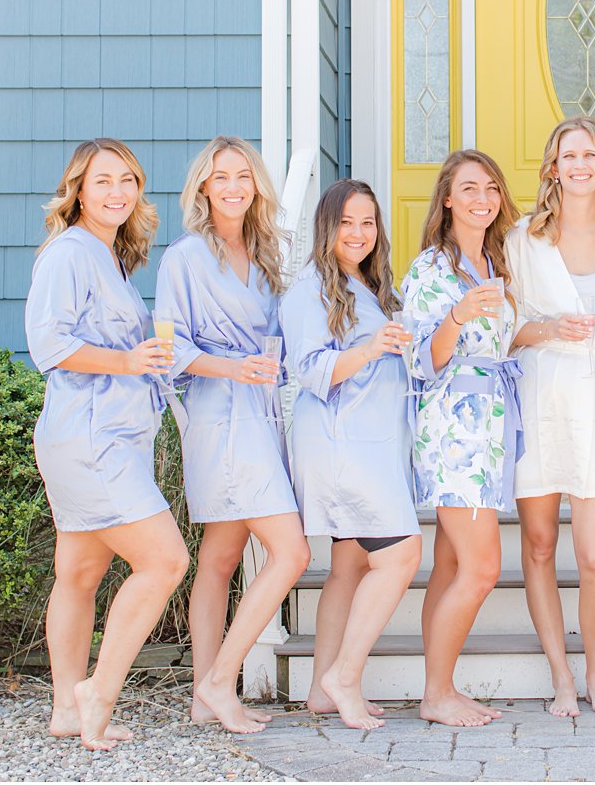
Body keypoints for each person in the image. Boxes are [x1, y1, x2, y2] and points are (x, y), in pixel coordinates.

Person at [24, 138, 189, 751]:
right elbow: (50, 345)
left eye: (128, 180)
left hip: (97, 434)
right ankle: (98, 691)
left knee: (80, 572)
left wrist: (148, 365)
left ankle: (67, 707)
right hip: (93, 440)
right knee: (165, 560)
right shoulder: (70, 253)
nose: (118, 192)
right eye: (103, 182)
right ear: (78, 192)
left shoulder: (108, 256)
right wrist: (127, 359)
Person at [154, 135, 309, 734]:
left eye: (244, 176)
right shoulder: (185, 258)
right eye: (222, 178)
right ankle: (221, 680)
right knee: (291, 553)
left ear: (257, 187)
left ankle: (201, 695)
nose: (235, 187)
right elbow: (169, 346)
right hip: (220, 415)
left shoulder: (268, 254)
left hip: (263, 412)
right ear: (203, 188)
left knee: (218, 558)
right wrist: (233, 367)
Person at [282, 179, 423, 730]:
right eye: (346, 223)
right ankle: (344, 675)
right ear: (327, 228)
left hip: (376, 446)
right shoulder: (309, 291)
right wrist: (369, 349)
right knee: (401, 554)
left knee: (349, 564)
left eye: (368, 222)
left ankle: (322, 689)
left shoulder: (373, 288)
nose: (359, 233)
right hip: (342, 448)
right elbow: (312, 371)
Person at [505, 118, 595, 717]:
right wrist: (548, 329)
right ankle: (561, 676)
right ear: (552, 167)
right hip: (540, 392)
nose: (579, 164)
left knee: (594, 555)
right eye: (567, 155)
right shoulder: (521, 240)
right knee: (538, 543)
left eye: (590, 154)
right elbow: (503, 332)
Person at [402, 149, 522, 727]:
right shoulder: (431, 270)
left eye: (491, 188)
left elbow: (499, 346)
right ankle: (436, 694)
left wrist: (538, 332)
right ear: (447, 199)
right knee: (481, 568)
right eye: (469, 188)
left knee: (450, 567)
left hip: (491, 427)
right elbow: (424, 361)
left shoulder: (494, 264)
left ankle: (440, 686)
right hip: (454, 429)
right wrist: (456, 315)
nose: (482, 199)